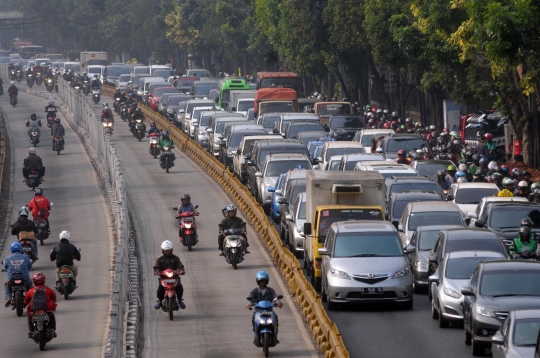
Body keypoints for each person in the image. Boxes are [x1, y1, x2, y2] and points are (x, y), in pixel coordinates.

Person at [246, 271, 282, 343]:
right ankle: (255, 332)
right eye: (261, 281)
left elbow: (275, 298)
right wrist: (249, 304)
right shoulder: (254, 291)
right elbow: (250, 298)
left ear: (267, 281)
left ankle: (275, 333)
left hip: (269, 311)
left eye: (264, 281)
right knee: (254, 319)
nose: (262, 282)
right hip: (258, 311)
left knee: (275, 318)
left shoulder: (270, 290)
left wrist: (278, 303)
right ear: (258, 282)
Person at [153, 240, 185, 310]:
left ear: (172, 250)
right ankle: (160, 301)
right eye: (165, 250)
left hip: (174, 277)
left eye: (169, 250)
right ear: (163, 250)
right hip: (164, 277)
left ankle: (179, 300)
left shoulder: (176, 258)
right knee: (160, 289)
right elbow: (156, 267)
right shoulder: (159, 259)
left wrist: (181, 271)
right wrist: (157, 272)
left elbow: (180, 266)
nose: (167, 252)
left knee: (179, 287)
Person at [24, 272, 57, 338]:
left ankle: (31, 331)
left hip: (34, 309)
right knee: (51, 315)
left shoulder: (31, 290)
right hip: (46, 309)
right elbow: (54, 297)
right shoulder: (47, 289)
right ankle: (53, 329)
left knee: (29, 317)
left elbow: (26, 300)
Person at [3, 242, 33, 307]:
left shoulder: (7, 258)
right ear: (20, 248)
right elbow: (30, 267)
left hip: (11, 278)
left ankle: (8, 297)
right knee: (29, 283)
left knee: (6, 284)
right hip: (24, 278)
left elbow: (5, 267)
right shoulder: (26, 257)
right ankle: (31, 296)